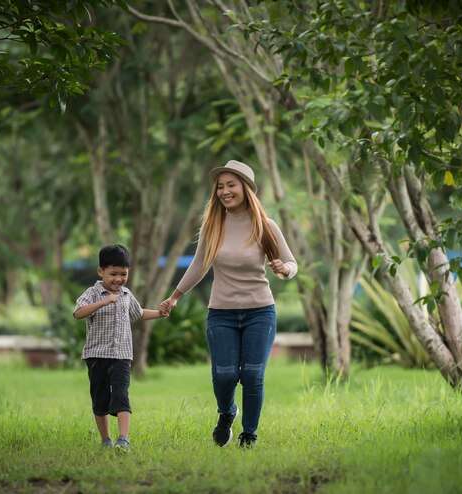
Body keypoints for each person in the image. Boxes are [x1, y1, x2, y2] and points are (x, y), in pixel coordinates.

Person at [159, 160, 298, 448]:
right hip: (221, 313)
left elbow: (291, 262)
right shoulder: (213, 226)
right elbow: (199, 265)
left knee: (252, 374)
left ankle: (249, 434)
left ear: (246, 188)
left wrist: (284, 270)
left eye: (230, 185)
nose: (224, 191)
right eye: (220, 187)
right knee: (224, 375)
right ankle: (227, 412)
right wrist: (175, 296)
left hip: (259, 311)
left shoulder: (265, 225)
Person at [73, 244, 166, 450]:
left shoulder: (126, 294)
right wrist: (103, 302)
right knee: (100, 399)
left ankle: (123, 439)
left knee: (121, 395)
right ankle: (106, 440)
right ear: (101, 271)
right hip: (97, 355)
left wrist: (159, 312)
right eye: (113, 273)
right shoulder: (93, 293)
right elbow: (78, 312)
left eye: (123, 274)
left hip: (122, 355)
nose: (118, 279)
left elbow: (139, 313)